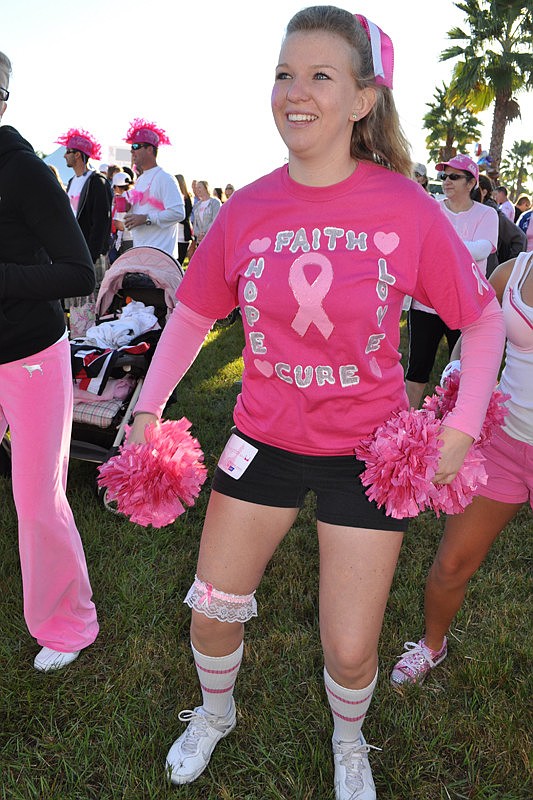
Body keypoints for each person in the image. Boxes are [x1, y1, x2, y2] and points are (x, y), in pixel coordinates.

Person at [127, 8, 505, 798]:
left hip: (366, 457)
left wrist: (463, 427)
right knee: (211, 612)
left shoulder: (404, 207)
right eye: (283, 74)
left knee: (351, 649)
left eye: (318, 76)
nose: (294, 91)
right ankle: (215, 714)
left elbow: (480, 318)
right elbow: (192, 314)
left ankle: (348, 739)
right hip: (260, 443)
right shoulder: (247, 208)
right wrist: (147, 408)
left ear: (362, 99)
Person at [391, 250, 532, 689]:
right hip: (504, 444)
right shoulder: (512, 272)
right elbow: (476, 328)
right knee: (451, 564)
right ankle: (432, 645)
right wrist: (457, 372)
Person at [0, 51, 99, 671]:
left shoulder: (25, 171)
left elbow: (79, 271)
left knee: (38, 499)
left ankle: (68, 624)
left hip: (31, 354)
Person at [405, 154, 499, 409]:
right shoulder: (431, 207)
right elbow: (417, 245)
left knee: (463, 373)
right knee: (416, 372)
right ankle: (404, 425)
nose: (446, 181)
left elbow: (482, 249)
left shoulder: (487, 214)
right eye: (443, 176)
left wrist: (439, 246)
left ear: (471, 183)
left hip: (464, 305)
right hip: (425, 305)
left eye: (454, 177)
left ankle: (455, 425)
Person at [59, 127, 113, 305]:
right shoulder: (72, 182)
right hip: (73, 252)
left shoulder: (97, 182)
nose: (64, 155)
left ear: (77, 155)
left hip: (91, 255)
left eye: (68, 151)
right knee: (75, 305)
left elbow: (101, 222)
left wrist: (91, 255)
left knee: (92, 305)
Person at [123, 118, 184, 257]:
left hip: (160, 256)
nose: (132, 151)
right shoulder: (140, 180)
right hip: (140, 253)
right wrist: (128, 207)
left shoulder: (165, 178)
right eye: (131, 147)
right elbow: (140, 213)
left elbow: (178, 213)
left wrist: (146, 219)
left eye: (136, 146)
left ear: (150, 149)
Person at [474, 174, 526, 276]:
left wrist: (506, 269)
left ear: (484, 192)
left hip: (487, 276)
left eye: (473, 187)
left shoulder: (492, 213)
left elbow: (520, 238)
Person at [109, 171, 133, 263]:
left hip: (127, 239)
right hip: (139, 239)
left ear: (117, 187)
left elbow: (120, 225)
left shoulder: (122, 199)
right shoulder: (136, 194)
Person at [190, 179, 221, 244]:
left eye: (199, 187)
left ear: (206, 188)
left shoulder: (215, 202)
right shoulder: (197, 205)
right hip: (200, 240)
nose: (197, 190)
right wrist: (198, 234)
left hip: (212, 238)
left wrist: (204, 234)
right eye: (196, 188)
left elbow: (215, 220)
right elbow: (195, 224)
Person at [175, 173, 193, 264]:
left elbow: (185, 216)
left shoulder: (187, 199)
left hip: (182, 235)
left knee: (179, 261)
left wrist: (173, 217)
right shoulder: (172, 198)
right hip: (174, 234)